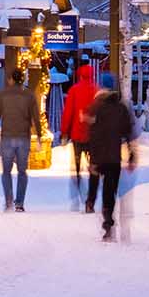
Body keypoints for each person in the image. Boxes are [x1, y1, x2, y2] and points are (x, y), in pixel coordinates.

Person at [86, 74, 137, 240]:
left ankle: (106, 221)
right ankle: (108, 223)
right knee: (110, 192)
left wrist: (91, 159)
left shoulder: (96, 107)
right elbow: (128, 132)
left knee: (103, 189)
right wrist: (131, 155)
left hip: (99, 156)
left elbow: (92, 135)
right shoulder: (121, 108)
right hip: (113, 157)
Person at [0, 69, 41, 212]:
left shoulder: (2, 94)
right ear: (22, 79)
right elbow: (36, 117)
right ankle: (19, 203)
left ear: (11, 79)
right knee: (22, 171)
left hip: (7, 137)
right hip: (23, 137)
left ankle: (8, 201)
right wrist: (39, 135)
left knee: (6, 171)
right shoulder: (29, 95)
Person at [61, 59, 99, 209]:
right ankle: (90, 199)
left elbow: (68, 113)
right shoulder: (97, 91)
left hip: (77, 135)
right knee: (93, 167)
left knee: (76, 165)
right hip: (93, 136)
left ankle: (78, 190)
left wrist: (64, 132)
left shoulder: (74, 90)